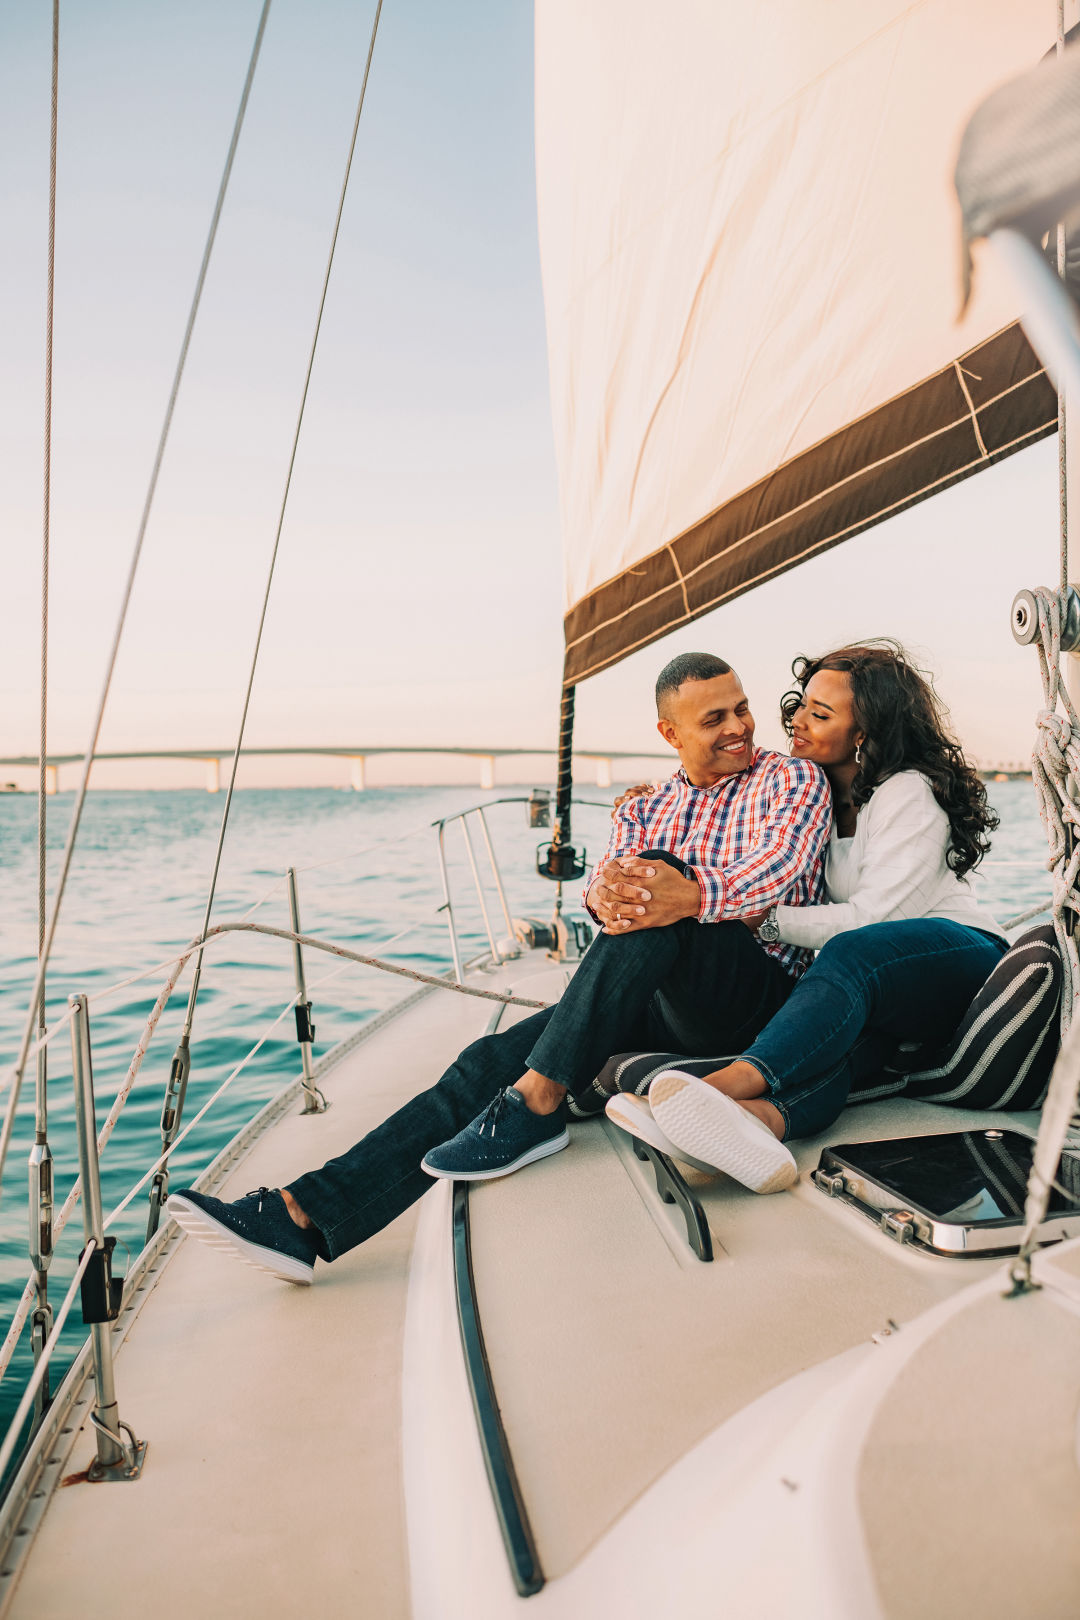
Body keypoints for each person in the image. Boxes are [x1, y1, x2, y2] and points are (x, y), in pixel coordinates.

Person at [167, 651, 831, 1284]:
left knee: (665, 887)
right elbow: (606, 891)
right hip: (659, 1000)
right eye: (714, 718)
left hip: (754, 997)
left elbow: (778, 870)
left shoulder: (789, 779)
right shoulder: (642, 806)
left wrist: (680, 893)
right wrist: (605, 896)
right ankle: (303, 1217)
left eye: (741, 709)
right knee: (483, 1063)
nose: (740, 728)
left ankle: (537, 1103)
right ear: (669, 732)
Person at [603, 642, 1008, 1196]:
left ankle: (720, 1088)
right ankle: (758, 1124)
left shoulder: (906, 793)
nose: (797, 720)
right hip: (876, 986)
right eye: (801, 705)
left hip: (957, 960)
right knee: (840, 1042)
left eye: (821, 714)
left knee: (852, 954)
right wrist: (657, 805)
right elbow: (740, 851)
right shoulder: (817, 795)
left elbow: (873, 923)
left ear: (864, 732)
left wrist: (762, 922)